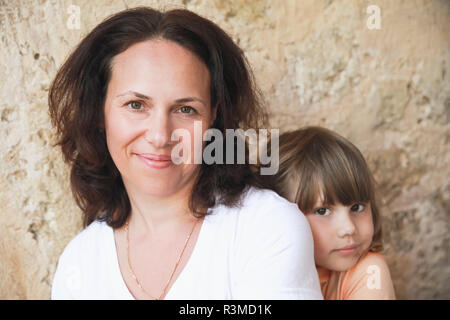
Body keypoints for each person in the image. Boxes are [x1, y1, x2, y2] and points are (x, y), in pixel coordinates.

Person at [48, 7, 322, 300]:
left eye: (185, 109)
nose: (160, 136)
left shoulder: (266, 228)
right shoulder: (78, 263)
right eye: (136, 105)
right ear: (99, 113)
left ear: (214, 119)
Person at [264, 126, 396, 299]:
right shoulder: (264, 270)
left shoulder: (371, 271)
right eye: (323, 211)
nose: (348, 228)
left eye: (357, 207)